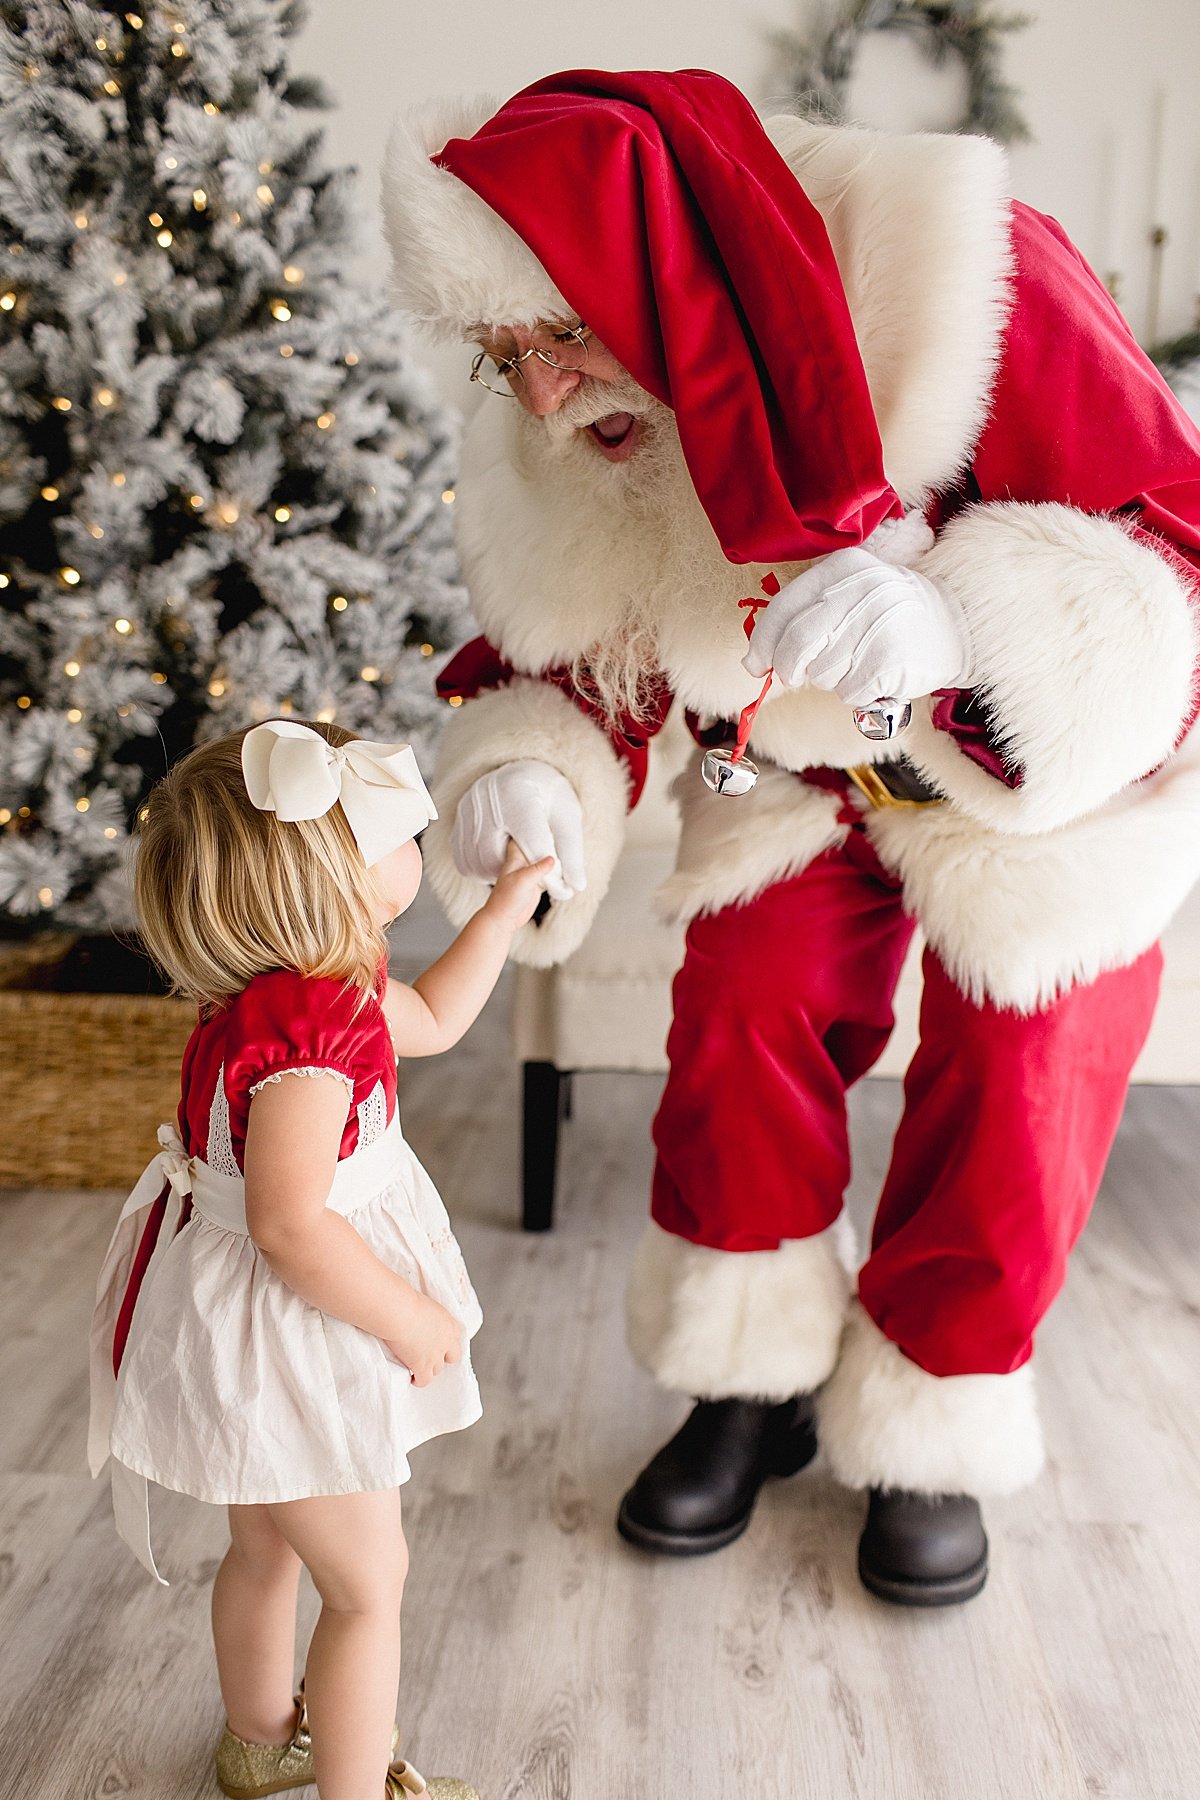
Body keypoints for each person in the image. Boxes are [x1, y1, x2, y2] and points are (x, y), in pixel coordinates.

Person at [382, 69, 1200, 1605]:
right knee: (744, 1004)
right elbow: (580, 651)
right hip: (803, 775)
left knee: (1029, 1070)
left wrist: (958, 625)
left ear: (659, 275)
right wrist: (536, 770)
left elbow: (1176, 544)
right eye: (506, 358)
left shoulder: (970, 275)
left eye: (564, 338)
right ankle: (745, 1385)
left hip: (1043, 781)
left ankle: (931, 1424)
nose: (545, 397)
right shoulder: (573, 418)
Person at [89, 718, 551, 1800]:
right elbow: (292, 1227)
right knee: (367, 1586)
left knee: (266, 1547)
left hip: (248, 1328)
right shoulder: (313, 1040)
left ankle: (260, 1740)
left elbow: (431, 1016)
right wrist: (409, 1317)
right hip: (296, 1335)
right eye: (397, 837)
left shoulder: (293, 991)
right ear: (332, 879)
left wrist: (500, 910)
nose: (417, 853)